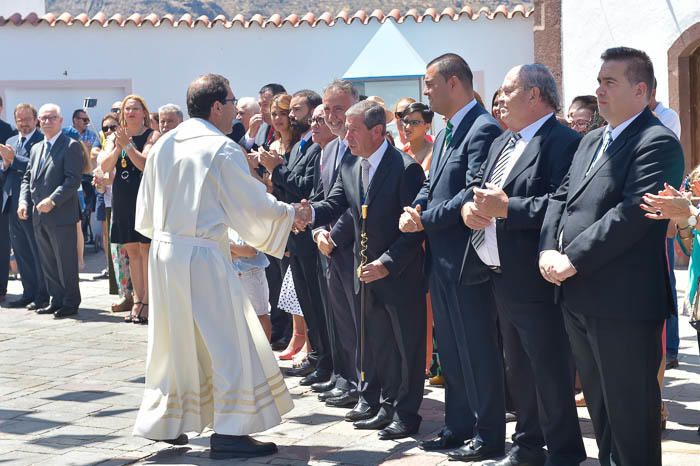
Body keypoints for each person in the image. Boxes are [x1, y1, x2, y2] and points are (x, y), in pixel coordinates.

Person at [132, 73, 308, 459]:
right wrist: (291, 212)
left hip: (165, 253)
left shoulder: (164, 143)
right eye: (231, 102)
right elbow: (251, 205)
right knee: (229, 343)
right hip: (202, 257)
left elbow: (144, 212)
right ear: (216, 106)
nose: (234, 110)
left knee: (172, 342)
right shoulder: (220, 148)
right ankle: (230, 431)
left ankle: (169, 422)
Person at [539, 47, 684, 466]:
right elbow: (561, 198)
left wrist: (574, 258)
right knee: (602, 416)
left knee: (631, 418)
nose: (598, 90)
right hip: (580, 297)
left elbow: (633, 213)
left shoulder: (656, 142)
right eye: (598, 80)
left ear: (640, 90)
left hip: (624, 304)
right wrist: (549, 245)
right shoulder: (591, 141)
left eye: (609, 82)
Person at [459, 64, 586, 466]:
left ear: (534, 95)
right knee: (518, 368)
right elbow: (478, 188)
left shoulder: (563, 142)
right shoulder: (503, 142)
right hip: (498, 274)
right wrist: (469, 211)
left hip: (535, 277)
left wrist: (506, 208)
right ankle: (528, 444)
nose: (499, 99)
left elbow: (563, 205)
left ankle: (564, 451)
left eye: (508, 90)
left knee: (549, 369)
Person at [399, 53, 504, 457]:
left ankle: (488, 432)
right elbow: (433, 184)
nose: (425, 91)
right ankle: (458, 425)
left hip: (467, 259)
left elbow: (473, 189)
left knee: (476, 348)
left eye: (430, 83)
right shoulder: (445, 133)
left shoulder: (482, 128)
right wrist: (417, 209)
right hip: (441, 259)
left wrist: (428, 219)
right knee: (453, 351)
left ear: (454, 82)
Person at [307, 100, 426, 440]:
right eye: (345, 130)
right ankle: (385, 405)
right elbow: (336, 203)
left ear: (377, 131)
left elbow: (414, 229)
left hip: (397, 274)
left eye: (352, 130)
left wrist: (387, 264)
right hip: (364, 272)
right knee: (378, 345)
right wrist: (307, 216)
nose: (346, 138)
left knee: (406, 348)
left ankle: (406, 413)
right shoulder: (352, 165)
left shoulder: (405, 168)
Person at [260, 90, 331, 387]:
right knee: (307, 302)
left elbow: (303, 187)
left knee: (317, 303)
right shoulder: (300, 146)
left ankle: (324, 359)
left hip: (309, 237)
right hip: (295, 236)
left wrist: (278, 169)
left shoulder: (315, 148)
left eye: (298, 110)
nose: (291, 116)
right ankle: (318, 358)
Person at [309, 80, 359, 409]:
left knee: (358, 323)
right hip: (328, 246)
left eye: (338, 108)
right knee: (338, 318)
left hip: (352, 246)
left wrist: (333, 235)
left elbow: (355, 203)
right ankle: (344, 378)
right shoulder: (329, 149)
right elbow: (321, 197)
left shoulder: (360, 146)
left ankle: (359, 382)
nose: (331, 115)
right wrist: (317, 232)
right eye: (327, 109)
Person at [18, 104, 82, 318]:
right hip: (38, 215)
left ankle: (70, 302)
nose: (46, 122)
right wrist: (23, 202)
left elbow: (73, 180)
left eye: (51, 118)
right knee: (48, 261)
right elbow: (27, 178)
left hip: (61, 215)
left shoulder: (71, 145)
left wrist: (52, 200)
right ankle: (55, 299)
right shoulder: (37, 148)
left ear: (61, 120)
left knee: (65, 262)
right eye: (43, 118)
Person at [100, 95, 160, 324]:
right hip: (123, 198)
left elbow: (144, 164)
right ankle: (136, 299)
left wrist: (127, 145)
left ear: (144, 112)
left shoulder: (152, 135)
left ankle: (147, 302)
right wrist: (118, 146)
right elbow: (105, 166)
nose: (131, 112)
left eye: (136, 108)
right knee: (132, 252)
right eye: (127, 109)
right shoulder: (118, 137)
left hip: (143, 198)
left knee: (145, 251)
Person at [0, 104, 49, 310]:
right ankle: (27, 292)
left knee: (36, 250)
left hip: (30, 203)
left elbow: (36, 167)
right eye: (19, 120)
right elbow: (6, 170)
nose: (24, 124)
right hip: (10, 203)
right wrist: (5, 164)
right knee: (20, 251)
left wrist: (13, 159)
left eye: (27, 119)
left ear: (36, 119)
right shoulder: (11, 140)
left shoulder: (41, 140)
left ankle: (42, 295)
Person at [229, 229, 272, 341]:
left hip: (253, 275)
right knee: (240, 318)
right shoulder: (227, 223)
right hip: (234, 274)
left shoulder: (249, 223)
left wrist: (227, 246)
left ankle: (265, 356)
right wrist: (236, 250)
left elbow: (250, 251)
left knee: (260, 315)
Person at [400, 102, 434, 172]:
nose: (407, 127)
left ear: (427, 127)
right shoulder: (401, 152)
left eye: (414, 123)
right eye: (405, 121)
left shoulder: (435, 152)